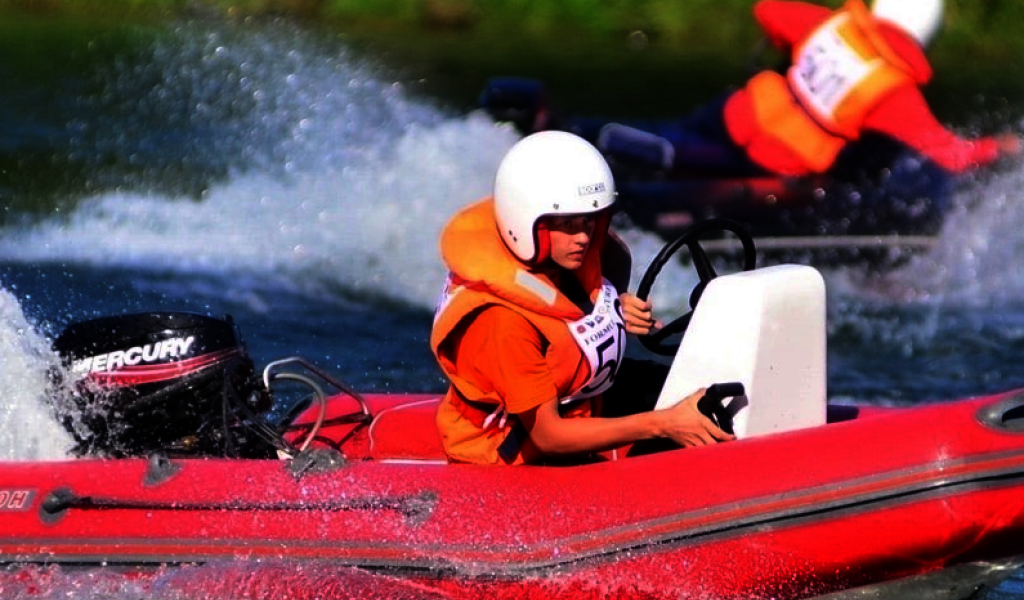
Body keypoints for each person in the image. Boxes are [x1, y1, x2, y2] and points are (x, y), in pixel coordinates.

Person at [430, 131, 734, 465]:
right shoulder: (502, 323)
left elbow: (575, 313)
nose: (583, 238)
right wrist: (662, 425)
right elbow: (548, 436)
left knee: (701, 394)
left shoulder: (566, 254)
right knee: (674, 442)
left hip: (581, 401)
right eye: (569, 224)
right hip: (520, 454)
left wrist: (616, 307)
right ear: (527, 223)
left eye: (590, 220)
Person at [491, 0, 1020, 178]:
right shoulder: (894, 91)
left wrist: (787, 50)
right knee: (670, 155)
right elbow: (948, 154)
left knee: (667, 137)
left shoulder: (833, 25)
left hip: (740, 108)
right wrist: (1004, 147)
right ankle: (560, 133)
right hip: (769, 157)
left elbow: (767, 8)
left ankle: (564, 129)